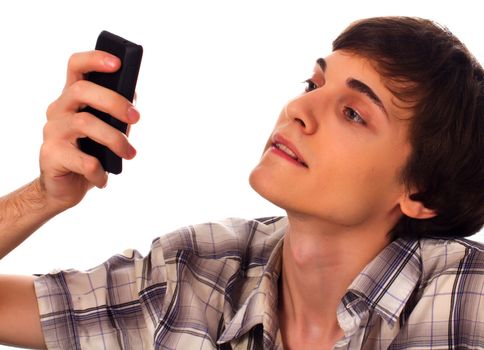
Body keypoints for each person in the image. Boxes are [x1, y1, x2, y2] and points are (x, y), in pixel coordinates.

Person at [0, 16, 483, 350]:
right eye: (313, 85)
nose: (298, 110)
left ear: (421, 192)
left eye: (353, 114)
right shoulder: (194, 276)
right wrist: (44, 198)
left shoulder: (469, 300)